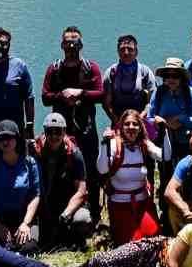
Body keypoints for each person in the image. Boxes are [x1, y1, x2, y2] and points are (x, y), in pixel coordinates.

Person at [41, 26, 105, 219]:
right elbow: (45, 97)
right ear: (61, 45)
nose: (71, 45)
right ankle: (57, 213)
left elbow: (101, 93)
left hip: (85, 129)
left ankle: (94, 213)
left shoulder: (90, 67)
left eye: (75, 41)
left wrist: (81, 93)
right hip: (59, 132)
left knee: (90, 171)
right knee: (58, 171)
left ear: (81, 44)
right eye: (67, 41)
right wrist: (62, 95)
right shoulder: (54, 69)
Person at [147, 57, 192, 216]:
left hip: (186, 145)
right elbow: (149, 117)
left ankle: (188, 214)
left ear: (182, 77)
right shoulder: (159, 93)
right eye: (168, 76)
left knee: (186, 180)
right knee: (166, 177)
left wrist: (180, 120)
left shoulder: (190, 93)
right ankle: (166, 216)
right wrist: (158, 121)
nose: (171, 80)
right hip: (165, 143)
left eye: (175, 76)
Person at [98, 108, 162, 245]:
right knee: (130, 244)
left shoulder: (144, 144)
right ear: (121, 127)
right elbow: (102, 169)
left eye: (135, 124)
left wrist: (165, 131)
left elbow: (164, 156)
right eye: (127, 124)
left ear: (140, 127)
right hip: (120, 204)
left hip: (143, 203)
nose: (131, 127)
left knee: (154, 239)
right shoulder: (114, 144)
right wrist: (104, 144)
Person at [0, 120, 43, 252]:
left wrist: (26, 224)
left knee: (29, 248)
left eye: (9, 138)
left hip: (23, 218)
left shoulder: (29, 162)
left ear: (17, 139)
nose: (5, 142)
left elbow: (36, 196)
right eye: (1, 138)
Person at [33, 113, 93, 248]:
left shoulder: (74, 154)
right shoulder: (36, 151)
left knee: (82, 219)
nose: (54, 136)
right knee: (37, 243)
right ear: (44, 131)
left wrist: (66, 214)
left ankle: (76, 239)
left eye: (58, 132)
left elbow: (81, 191)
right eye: (50, 131)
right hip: (45, 206)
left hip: (68, 206)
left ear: (64, 132)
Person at [103, 34, 153, 125]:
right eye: (122, 49)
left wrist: (140, 119)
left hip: (141, 122)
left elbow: (152, 100)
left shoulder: (145, 72)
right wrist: (117, 121)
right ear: (118, 51)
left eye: (130, 49)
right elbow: (106, 104)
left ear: (136, 52)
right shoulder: (110, 73)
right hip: (118, 121)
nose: (126, 53)